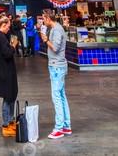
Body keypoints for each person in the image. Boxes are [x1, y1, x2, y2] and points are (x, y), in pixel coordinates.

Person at [40, 9, 71, 139]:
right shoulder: (54, 28)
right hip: (57, 65)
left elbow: (56, 48)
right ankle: (66, 125)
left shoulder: (57, 30)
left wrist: (46, 40)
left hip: (57, 66)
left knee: (56, 97)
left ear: (48, 18)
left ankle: (59, 128)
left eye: (43, 18)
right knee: (61, 95)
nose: (43, 21)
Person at [0, 15, 19, 137]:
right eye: (8, 26)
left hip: (4, 71)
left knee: (10, 96)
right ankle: (6, 124)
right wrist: (13, 46)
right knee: (8, 97)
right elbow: (7, 53)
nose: (9, 28)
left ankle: (10, 121)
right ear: (3, 25)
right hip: (5, 72)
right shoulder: (0, 37)